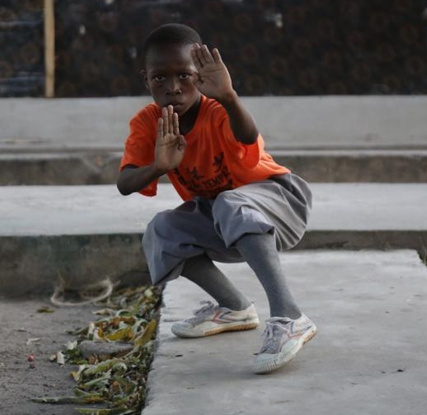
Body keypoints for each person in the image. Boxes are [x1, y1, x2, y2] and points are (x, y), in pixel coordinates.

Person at [117, 23, 315, 374]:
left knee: (229, 202)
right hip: (226, 217)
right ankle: (234, 307)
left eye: (185, 76)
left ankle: (290, 316)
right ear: (144, 79)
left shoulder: (217, 109)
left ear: (202, 77)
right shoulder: (149, 122)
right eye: (160, 78)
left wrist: (229, 96)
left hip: (280, 202)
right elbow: (125, 182)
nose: (173, 87)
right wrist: (158, 166)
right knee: (162, 230)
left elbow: (247, 134)